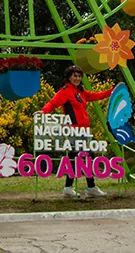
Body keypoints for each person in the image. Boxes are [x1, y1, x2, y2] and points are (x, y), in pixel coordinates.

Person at [35, 65, 113, 198]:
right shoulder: (66, 91)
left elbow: (96, 96)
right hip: (74, 131)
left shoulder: (80, 91)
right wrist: (43, 111)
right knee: (84, 156)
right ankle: (89, 186)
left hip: (83, 131)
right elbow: (53, 103)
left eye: (79, 76)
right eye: (74, 76)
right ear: (69, 77)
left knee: (78, 158)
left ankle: (71, 187)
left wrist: (112, 91)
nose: (77, 78)